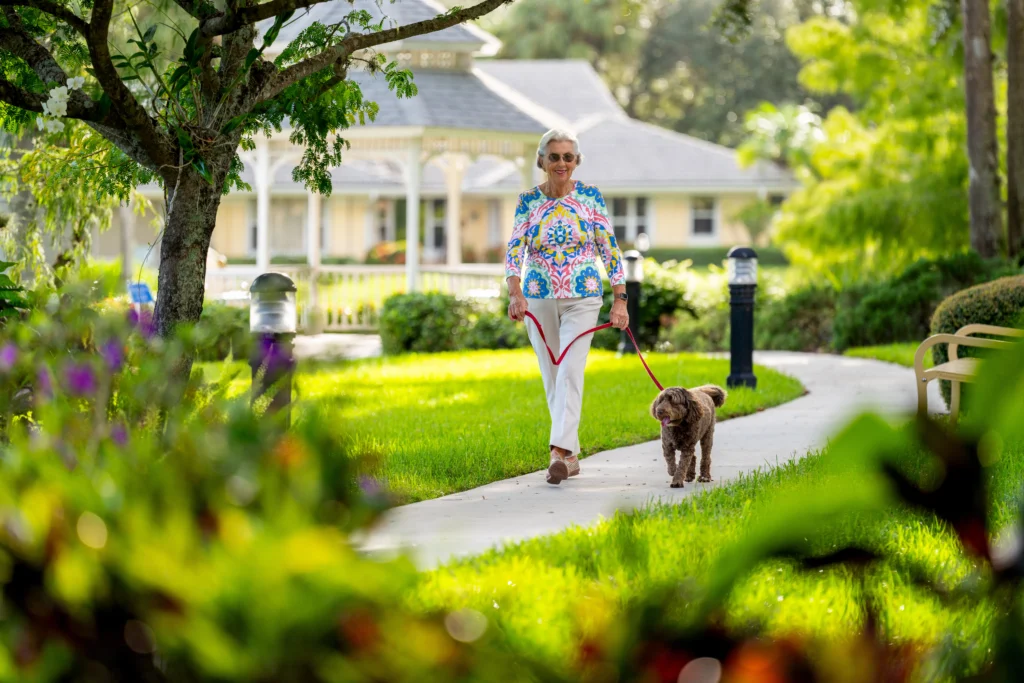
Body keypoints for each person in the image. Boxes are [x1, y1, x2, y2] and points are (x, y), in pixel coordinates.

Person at [505, 128, 629, 485]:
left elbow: (609, 248)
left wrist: (620, 299)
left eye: (568, 157)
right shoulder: (528, 200)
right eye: (554, 156)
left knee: (570, 370)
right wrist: (515, 292)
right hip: (538, 295)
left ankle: (557, 453)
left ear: (576, 161)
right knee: (552, 375)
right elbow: (515, 249)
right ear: (542, 160)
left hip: (584, 294)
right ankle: (571, 456)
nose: (561, 163)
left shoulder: (590, 196)